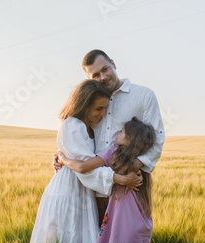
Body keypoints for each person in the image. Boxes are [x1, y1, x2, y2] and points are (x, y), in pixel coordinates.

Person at [26, 80, 142, 243]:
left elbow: (88, 162)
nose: (103, 114)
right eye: (98, 109)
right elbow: (85, 166)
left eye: (105, 108)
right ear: (84, 105)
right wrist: (119, 179)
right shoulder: (72, 125)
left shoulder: (90, 126)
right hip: (68, 191)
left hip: (83, 190)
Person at [54, 49, 165, 228]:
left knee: (128, 240)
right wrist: (62, 156)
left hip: (130, 185)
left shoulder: (143, 95)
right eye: (95, 75)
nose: (103, 77)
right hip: (92, 188)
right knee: (95, 242)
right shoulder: (90, 102)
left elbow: (157, 138)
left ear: (113, 63)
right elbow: (77, 136)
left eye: (105, 69)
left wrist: (134, 166)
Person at [58, 117, 156, 243]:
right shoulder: (143, 164)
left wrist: (62, 159)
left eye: (122, 131)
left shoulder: (114, 153)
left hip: (121, 224)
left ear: (129, 139)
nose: (117, 132)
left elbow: (82, 166)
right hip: (142, 224)